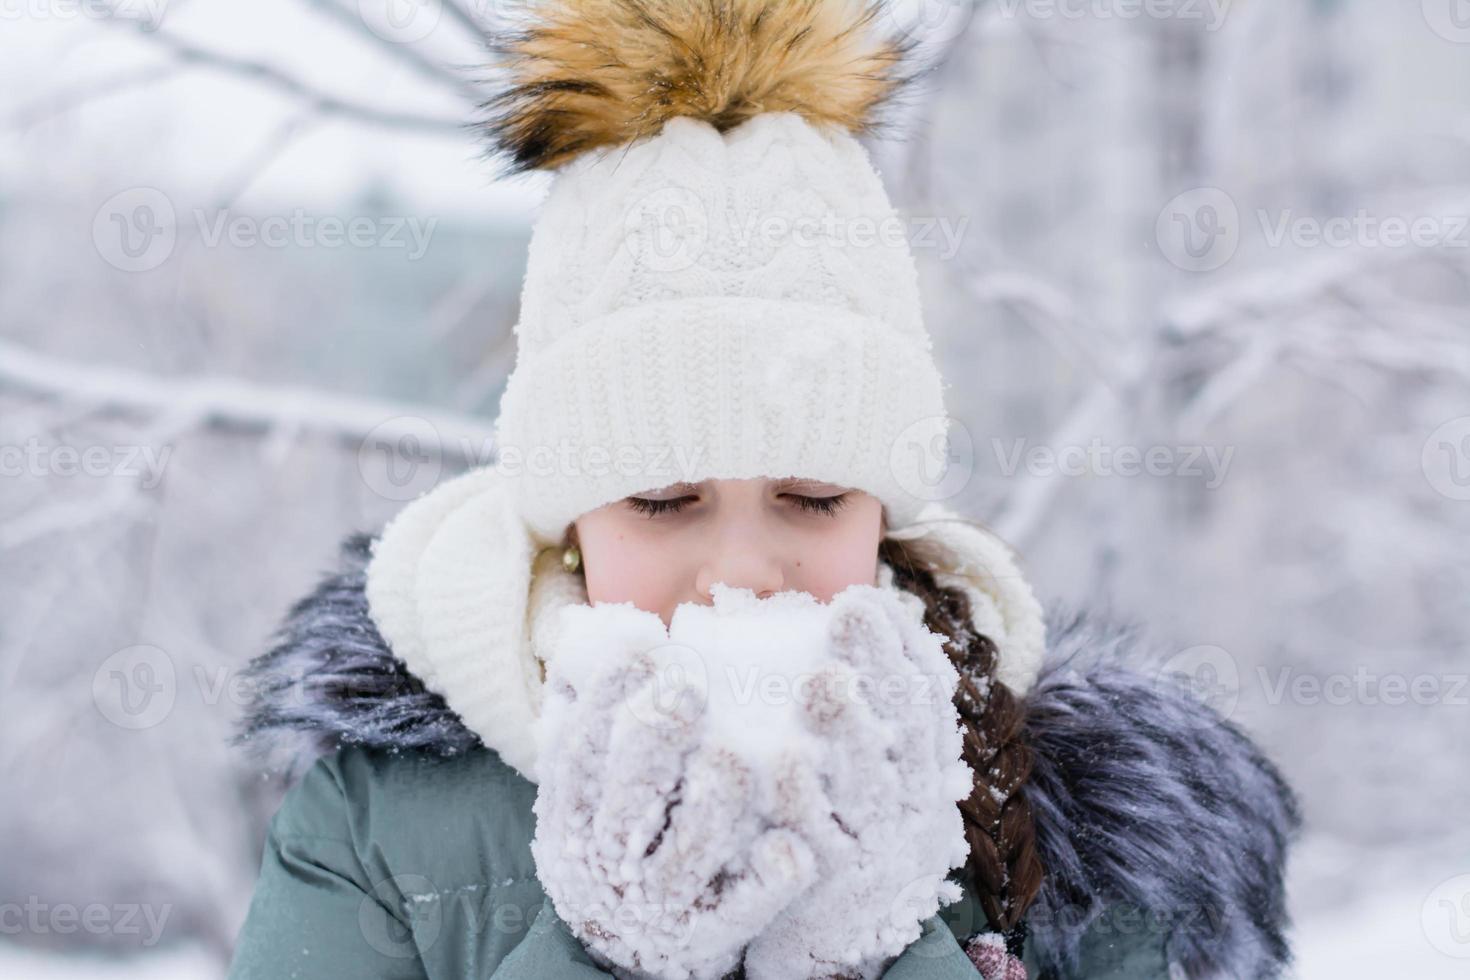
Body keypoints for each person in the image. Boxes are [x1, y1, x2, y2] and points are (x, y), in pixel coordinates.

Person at [224, 2, 1301, 977]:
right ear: (569, 525)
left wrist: (875, 947)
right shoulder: (379, 824)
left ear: (886, 509)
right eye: (661, 500)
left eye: (814, 496)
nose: (741, 563)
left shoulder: (1094, 833)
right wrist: (606, 955)